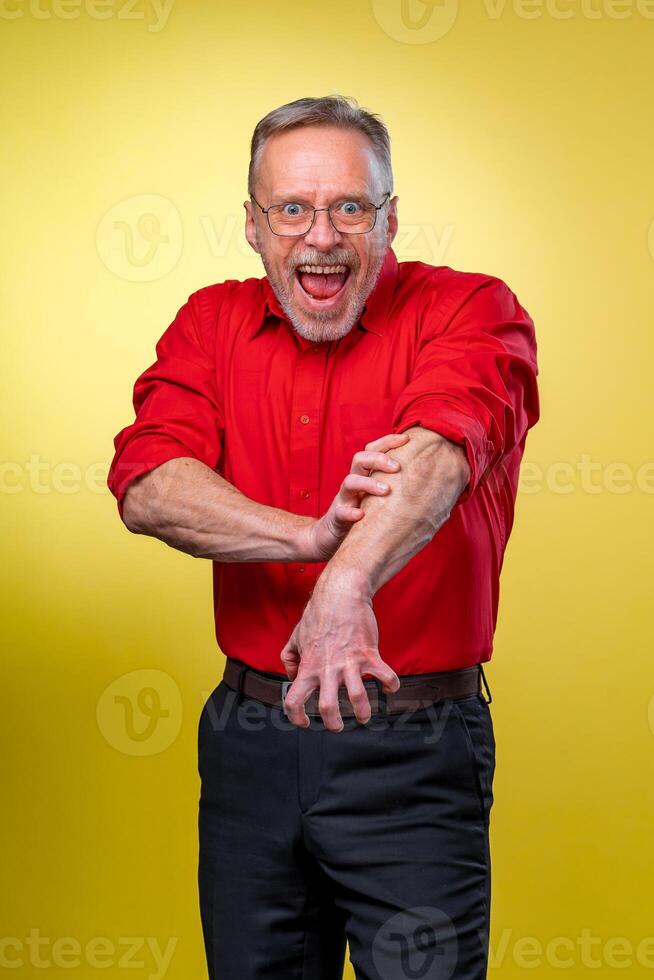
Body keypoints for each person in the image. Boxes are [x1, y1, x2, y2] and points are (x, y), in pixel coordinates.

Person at [107, 94, 540, 980]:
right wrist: (311, 540)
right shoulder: (210, 324)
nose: (322, 237)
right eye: (292, 210)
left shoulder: (470, 309)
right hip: (250, 745)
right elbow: (151, 484)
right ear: (254, 227)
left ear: (389, 219)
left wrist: (348, 584)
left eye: (350, 207)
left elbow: (442, 452)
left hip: (412, 747)